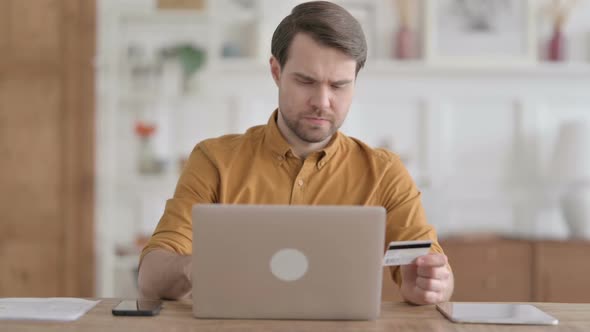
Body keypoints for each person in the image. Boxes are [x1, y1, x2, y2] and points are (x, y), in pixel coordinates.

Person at [138, 1, 454, 305]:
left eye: (339, 85)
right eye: (306, 81)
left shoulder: (385, 172)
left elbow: (436, 269)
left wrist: (432, 284)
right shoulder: (214, 160)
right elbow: (151, 278)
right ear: (276, 71)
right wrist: (194, 268)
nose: (322, 100)